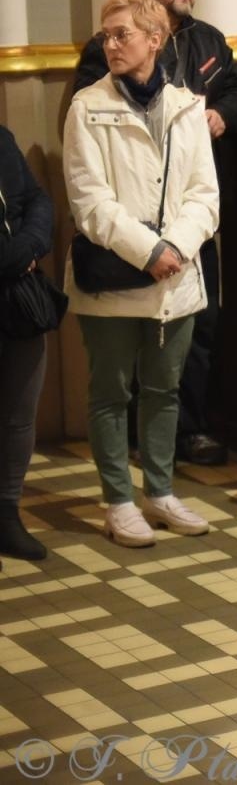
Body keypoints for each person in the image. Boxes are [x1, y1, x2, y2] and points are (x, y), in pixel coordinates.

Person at [73, 0, 237, 467]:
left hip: (190, 221)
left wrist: (221, 114)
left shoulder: (207, 38)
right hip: (130, 225)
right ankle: (132, 445)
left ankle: (187, 432)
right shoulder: (102, 56)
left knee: (200, 327)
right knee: (129, 347)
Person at [64, 0, 220, 548]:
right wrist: (149, 251)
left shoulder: (184, 106)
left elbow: (205, 193)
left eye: (122, 34)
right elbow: (89, 200)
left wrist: (176, 245)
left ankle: (159, 491)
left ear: (155, 39)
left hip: (177, 275)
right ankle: (118, 500)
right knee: (111, 392)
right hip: (114, 275)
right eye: (106, 35)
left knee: (164, 388)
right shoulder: (88, 105)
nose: (111, 44)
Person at [0, 122, 53, 562]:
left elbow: (37, 200)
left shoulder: (1, 138)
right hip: (13, 273)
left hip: (17, 300)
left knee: (19, 416)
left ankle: (6, 513)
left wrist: (31, 244)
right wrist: (16, 258)